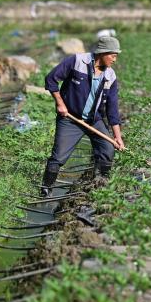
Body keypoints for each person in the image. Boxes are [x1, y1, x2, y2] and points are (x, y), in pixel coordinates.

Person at [39, 36, 125, 196]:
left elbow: (112, 109)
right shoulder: (76, 61)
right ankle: (46, 188)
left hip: (94, 120)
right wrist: (60, 103)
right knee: (59, 156)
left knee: (107, 149)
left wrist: (117, 137)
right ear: (103, 53)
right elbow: (51, 79)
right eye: (113, 55)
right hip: (70, 119)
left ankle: (99, 185)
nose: (115, 59)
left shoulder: (110, 76)